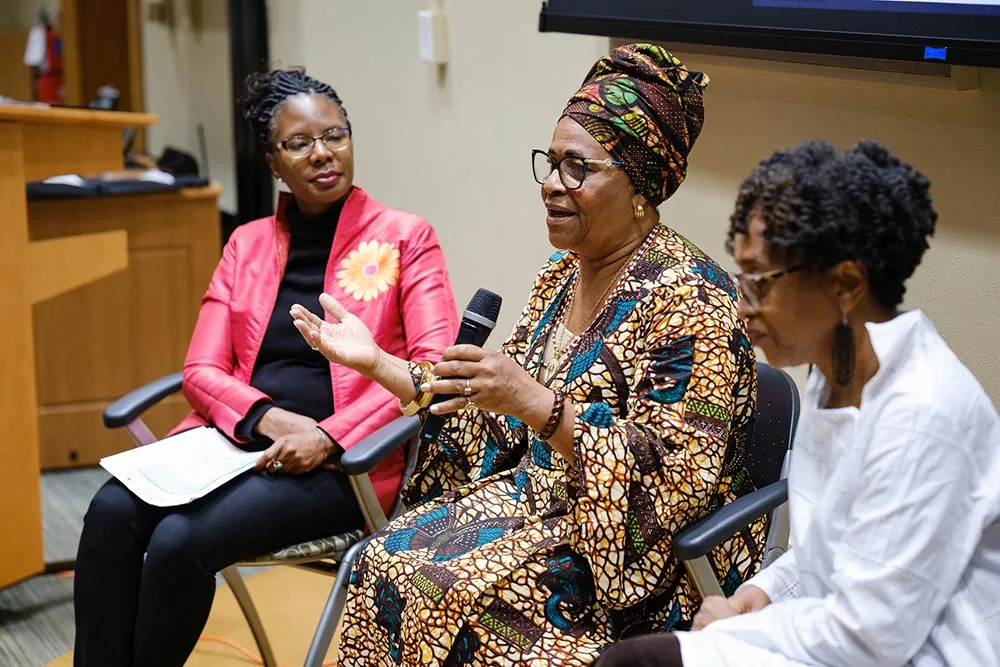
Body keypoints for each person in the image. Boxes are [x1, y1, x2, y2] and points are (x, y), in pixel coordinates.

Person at [291, 44, 764, 666]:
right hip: (536, 501)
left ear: (642, 185)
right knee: (384, 562)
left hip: (638, 553)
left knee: (444, 590)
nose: (550, 185)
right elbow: (486, 400)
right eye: (550, 162)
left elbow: (670, 482)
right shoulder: (562, 274)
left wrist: (539, 406)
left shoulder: (694, 300)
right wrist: (377, 361)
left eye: (577, 169)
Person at [72, 67, 459, 667]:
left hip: (345, 464)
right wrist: (269, 420)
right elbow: (200, 369)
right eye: (299, 143)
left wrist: (327, 436)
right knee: (108, 513)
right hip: (234, 442)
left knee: (178, 543)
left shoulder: (406, 238)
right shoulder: (245, 245)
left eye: (336, 134)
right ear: (273, 164)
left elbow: (432, 367)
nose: (323, 153)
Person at [594, 140, 1000, 667]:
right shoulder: (834, 376)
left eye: (759, 284)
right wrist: (760, 595)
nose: (742, 310)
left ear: (846, 284)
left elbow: (867, 639)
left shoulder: (923, 416)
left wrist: (729, 640)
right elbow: (834, 549)